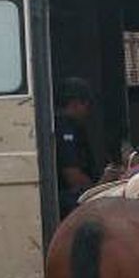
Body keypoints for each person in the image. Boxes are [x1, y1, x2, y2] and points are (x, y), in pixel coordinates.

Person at [55, 77, 98, 218]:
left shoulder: (72, 128)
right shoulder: (64, 128)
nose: (88, 112)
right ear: (75, 104)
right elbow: (73, 177)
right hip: (66, 200)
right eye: (87, 105)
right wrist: (101, 187)